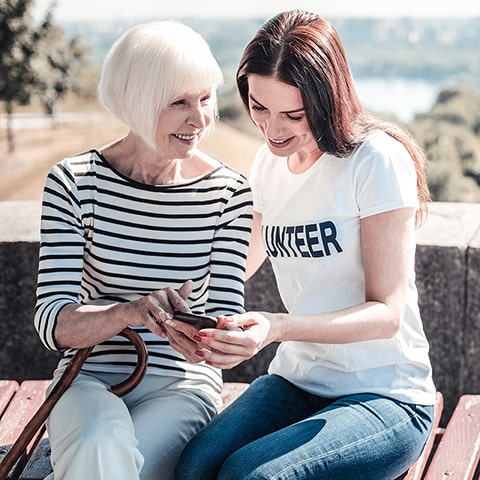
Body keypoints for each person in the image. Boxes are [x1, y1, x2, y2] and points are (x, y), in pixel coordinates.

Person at [174, 9, 436, 480]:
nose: (272, 130)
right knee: (194, 469)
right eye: (259, 108)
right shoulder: (267, 165)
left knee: (248, 477)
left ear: (328, 98)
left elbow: (386, 313)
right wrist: (180, 308)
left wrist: (274, 327)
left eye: (293, 114)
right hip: (298, 380)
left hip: (386, 396)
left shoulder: (375, 161)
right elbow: (237, 262)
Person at [34, 20, 252, 480]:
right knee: (98, 444)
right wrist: (129, 312)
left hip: (182, 386)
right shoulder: (74, 183)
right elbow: (52, 322)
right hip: (86, 375)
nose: (200, 119)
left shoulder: (229, 194)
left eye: (205, 98)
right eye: (179, 103)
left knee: (105, 467)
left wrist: (210, 340)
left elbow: (225, 325)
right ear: (137, 102)